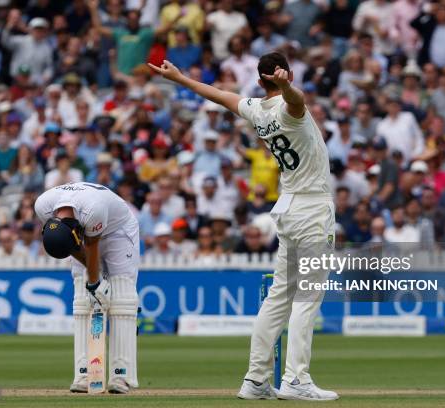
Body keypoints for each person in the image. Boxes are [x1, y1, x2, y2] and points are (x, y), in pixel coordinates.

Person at [149, 52, 338, 400]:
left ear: (259, 79)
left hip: (288, 207)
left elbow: (219, 95)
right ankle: (296, 380)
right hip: (312, 208)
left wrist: (180, 79)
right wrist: (288, 87)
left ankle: (255, 380)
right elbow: (297, 101)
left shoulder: (256, 109)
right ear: (283, 75)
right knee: (306, 298)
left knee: (280, 296)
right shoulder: (287, 108)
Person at [35, 181, 140, 394]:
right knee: (82, 298)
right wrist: (93, 286)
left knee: (121, 298)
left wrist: (96, 283)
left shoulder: (93, 210)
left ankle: (122, 376)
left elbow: (91, 246)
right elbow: (71, 246)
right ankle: (83, 374)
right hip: (83, 231)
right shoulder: (43, 206)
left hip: (119, 230)